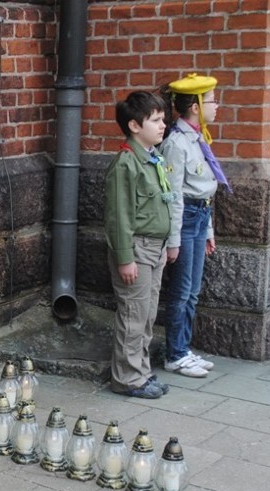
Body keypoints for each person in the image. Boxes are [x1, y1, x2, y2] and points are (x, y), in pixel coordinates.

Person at [104, 91, 174, 399]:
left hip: (154, 249)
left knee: (147, 314)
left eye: (163, 119)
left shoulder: (151, 159)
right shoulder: (126, 164)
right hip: (137, 249)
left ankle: (141, 372)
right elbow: (119, 216)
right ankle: (127, 378)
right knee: (133, 314)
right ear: (134, 126)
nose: (163, 125)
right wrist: (125, 258)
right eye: (156, 120)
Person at [159, 73, 228, 378]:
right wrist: (173, 239)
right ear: (196, 106)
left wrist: (209, 229)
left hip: (199, 216)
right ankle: (174, 354)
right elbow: (173, 194)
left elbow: (206, 188)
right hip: (185, 218)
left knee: (194, 290)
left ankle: (183, 348)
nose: (217, 107)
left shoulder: (197, 138)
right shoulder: (176, 143)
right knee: (182, 290)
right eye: (213, 100)